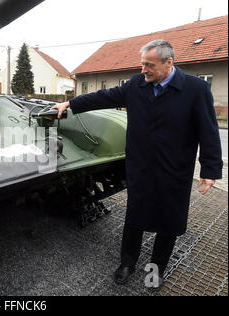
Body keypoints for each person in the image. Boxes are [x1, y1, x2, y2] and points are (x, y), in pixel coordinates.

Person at [51, 39, 223, 288]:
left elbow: (208, 130)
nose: (143, 70)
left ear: (168, 63)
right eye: (142, 64)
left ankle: (156, 269)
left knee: (168, 224)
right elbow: (105, 97)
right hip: (141, 167)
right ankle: (127, 263)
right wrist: (71, 103)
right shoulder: (136, 85)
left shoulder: (195, 89)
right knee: (135, 218)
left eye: (149, 65)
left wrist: (210, 169)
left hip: (174, 171)